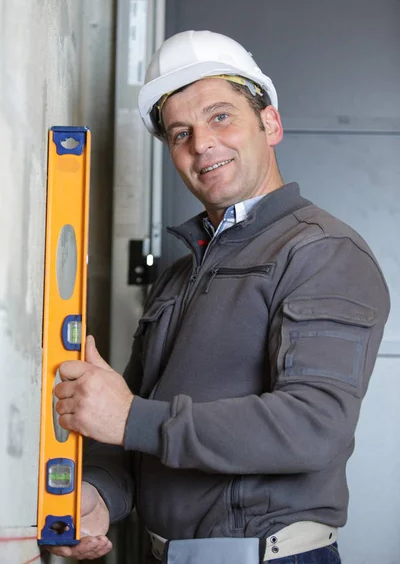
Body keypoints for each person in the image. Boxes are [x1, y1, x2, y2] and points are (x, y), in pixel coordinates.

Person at [47, 30, 390, 563]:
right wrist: (96, 497)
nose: (201, 142)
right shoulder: (180, 275)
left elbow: (312, 426)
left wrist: (132, 419)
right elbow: (132, 426)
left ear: (270, 124)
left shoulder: (323, 252)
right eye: (179, 132)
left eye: (221, 116)